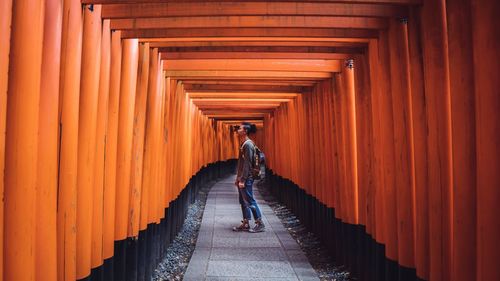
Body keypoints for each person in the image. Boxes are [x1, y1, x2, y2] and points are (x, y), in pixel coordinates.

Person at [232, 122, 265, 233]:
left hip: (247, 178)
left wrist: (243, 179)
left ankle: (260, 223)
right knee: (243, 201)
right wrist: (238, 178)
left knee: (250, 200)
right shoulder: (244, 143)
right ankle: (246, 222)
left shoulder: (248, 145)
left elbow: (247, 164)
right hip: (243, 177)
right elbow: (241, 164)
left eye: (240, 128)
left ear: (245, 131)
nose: (238, 130)